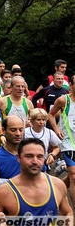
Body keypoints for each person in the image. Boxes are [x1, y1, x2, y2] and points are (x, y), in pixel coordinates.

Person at [0, 138, 73, 226]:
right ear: (18, 157)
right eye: (29, 156)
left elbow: (67, 213)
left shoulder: (57, 185)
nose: (35, 161)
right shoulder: (4, 192)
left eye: (39, 157)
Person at [48, 75, 75, 206]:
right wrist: (56, 129)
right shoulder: (63, 100)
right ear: (70, 85)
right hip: (68, 142)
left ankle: (53, 191)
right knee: (74, 176)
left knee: (72, 177)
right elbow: (51, 114)